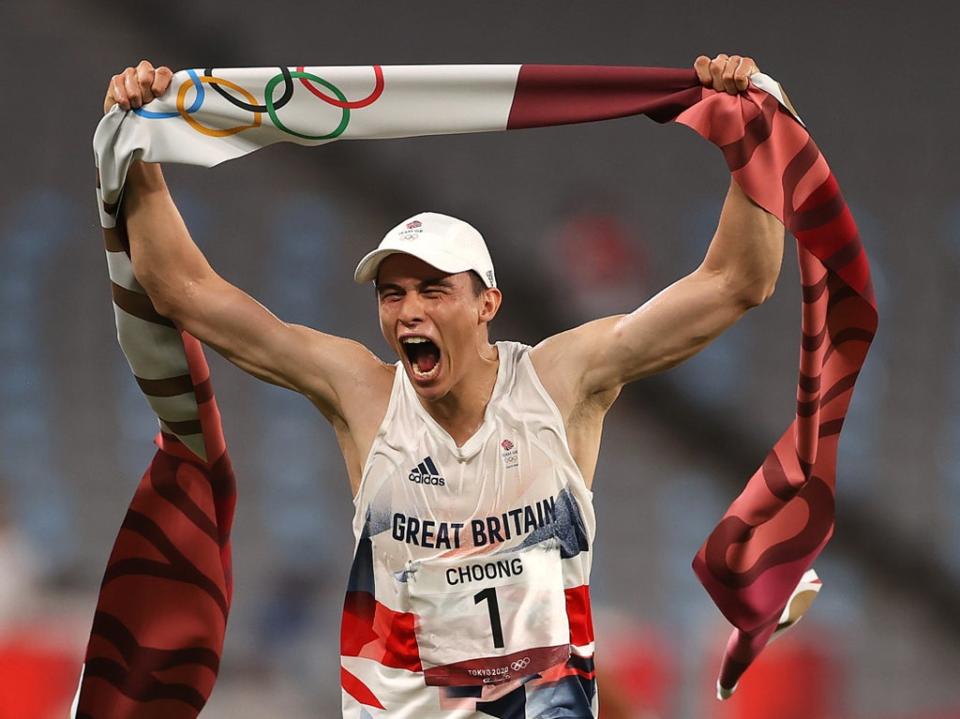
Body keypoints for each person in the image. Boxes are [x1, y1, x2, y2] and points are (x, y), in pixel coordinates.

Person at [102, 53, 783, 718]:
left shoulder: (557, 382)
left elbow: (736, 282)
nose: (409, 311)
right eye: (392, 293)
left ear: (487, 303)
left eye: (433, 288)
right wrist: (141, 152)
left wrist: (748, 141)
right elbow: (186, 290)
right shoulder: (363, 394)